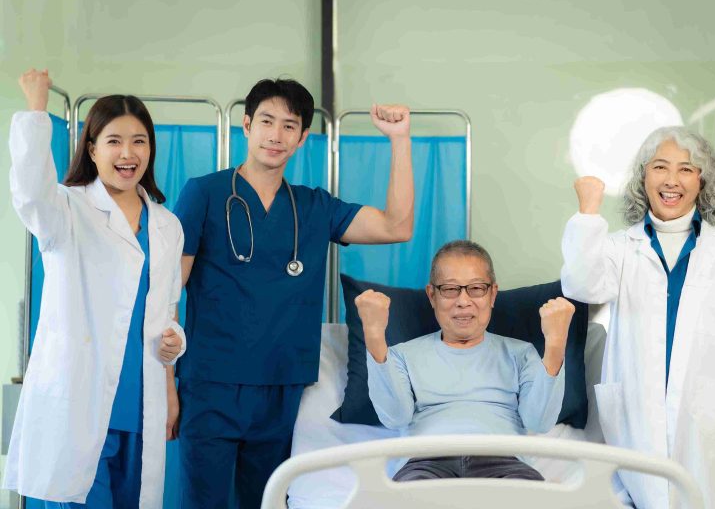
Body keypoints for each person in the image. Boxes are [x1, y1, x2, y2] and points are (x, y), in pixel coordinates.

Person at [172, 78, 414, 507]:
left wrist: (399, 140)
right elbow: (166, 293)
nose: (276, 135)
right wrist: (164, 386)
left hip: (282, 389)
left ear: (302, 138)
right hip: (211, 384)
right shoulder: (204, 194)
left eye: (289, 126)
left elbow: (396, 226)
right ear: (247, 125)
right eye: (266, 121)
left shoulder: (315, 207)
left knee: (267, 503)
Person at [3, 69, 186, 508]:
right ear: (92, 148)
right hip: (80, 405)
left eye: (139, 141)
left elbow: (166, 311)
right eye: (114, 141)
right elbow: (30, 193)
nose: (128, 153)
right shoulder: (67, 209)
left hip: (140, 406)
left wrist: (174, 348)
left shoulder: (167, 225)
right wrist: (36, 109)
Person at [561, 127, 715, 508]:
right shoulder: (621, 248)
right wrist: (588, 212)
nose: (672, 180)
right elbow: (581, 284)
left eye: (686, 169)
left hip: (706, 418)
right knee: (638, 496)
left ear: (702, 180)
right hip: (635, 417)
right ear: (644, 177)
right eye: (660, 167)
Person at [356, 240, 574, 481]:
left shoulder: (520, 353)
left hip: (504, 460)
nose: (463, 301)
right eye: (450, 289)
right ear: (432, 295)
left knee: (531, 495)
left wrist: (555, 345)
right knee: (406, 496)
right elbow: (395, 417)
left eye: (476, 288)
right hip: (426, 460)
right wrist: (375, 337)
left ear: (492, 294)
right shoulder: (401, 355)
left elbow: (539, 422)